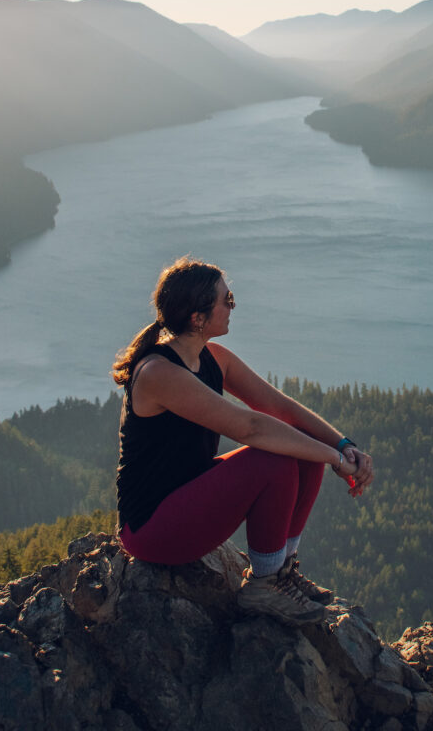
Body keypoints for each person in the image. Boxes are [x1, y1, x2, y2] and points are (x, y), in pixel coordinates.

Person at [113, 256, 374, 626]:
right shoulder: (159, 373)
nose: (233, 306)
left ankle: (281, 570)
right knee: (275, 459)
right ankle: (265, 584)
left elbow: (279, 406)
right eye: (227, 300)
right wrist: (336, 459)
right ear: (198, 318)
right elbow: (250, 427)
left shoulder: (212, 358)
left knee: (301, 449)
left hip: (188, 502)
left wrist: (343, 444)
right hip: (151, 529)